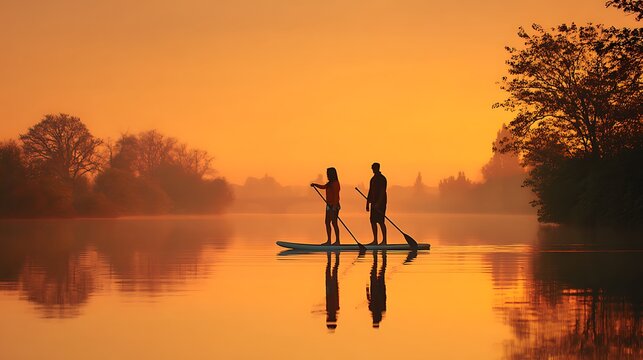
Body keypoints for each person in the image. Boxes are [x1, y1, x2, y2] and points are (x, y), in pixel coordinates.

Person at [311, 167, 341, 245]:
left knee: (334, 223)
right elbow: (323, 187)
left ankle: (337, 241)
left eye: (328, 173)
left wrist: (334, 206)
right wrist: (315, 185)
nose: (327, 175)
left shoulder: (335, 183)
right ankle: (329, 241)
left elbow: (336, 196)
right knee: (327, 222)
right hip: (328, 206)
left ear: (331, 174)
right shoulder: (329, 183)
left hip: (334, 206)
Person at [366, 162, 387, 245]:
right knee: (372, 221)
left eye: (374, 168)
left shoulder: (382, 179)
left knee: (381, 221)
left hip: (381, 204)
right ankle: (375, 240)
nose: (373, 170)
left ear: (377, 168)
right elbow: (370, 191)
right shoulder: (372, 179)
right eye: (372, 168)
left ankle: (384, 241)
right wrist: (367, 203)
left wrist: (379, 203)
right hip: (373, 203)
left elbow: (382, 191)